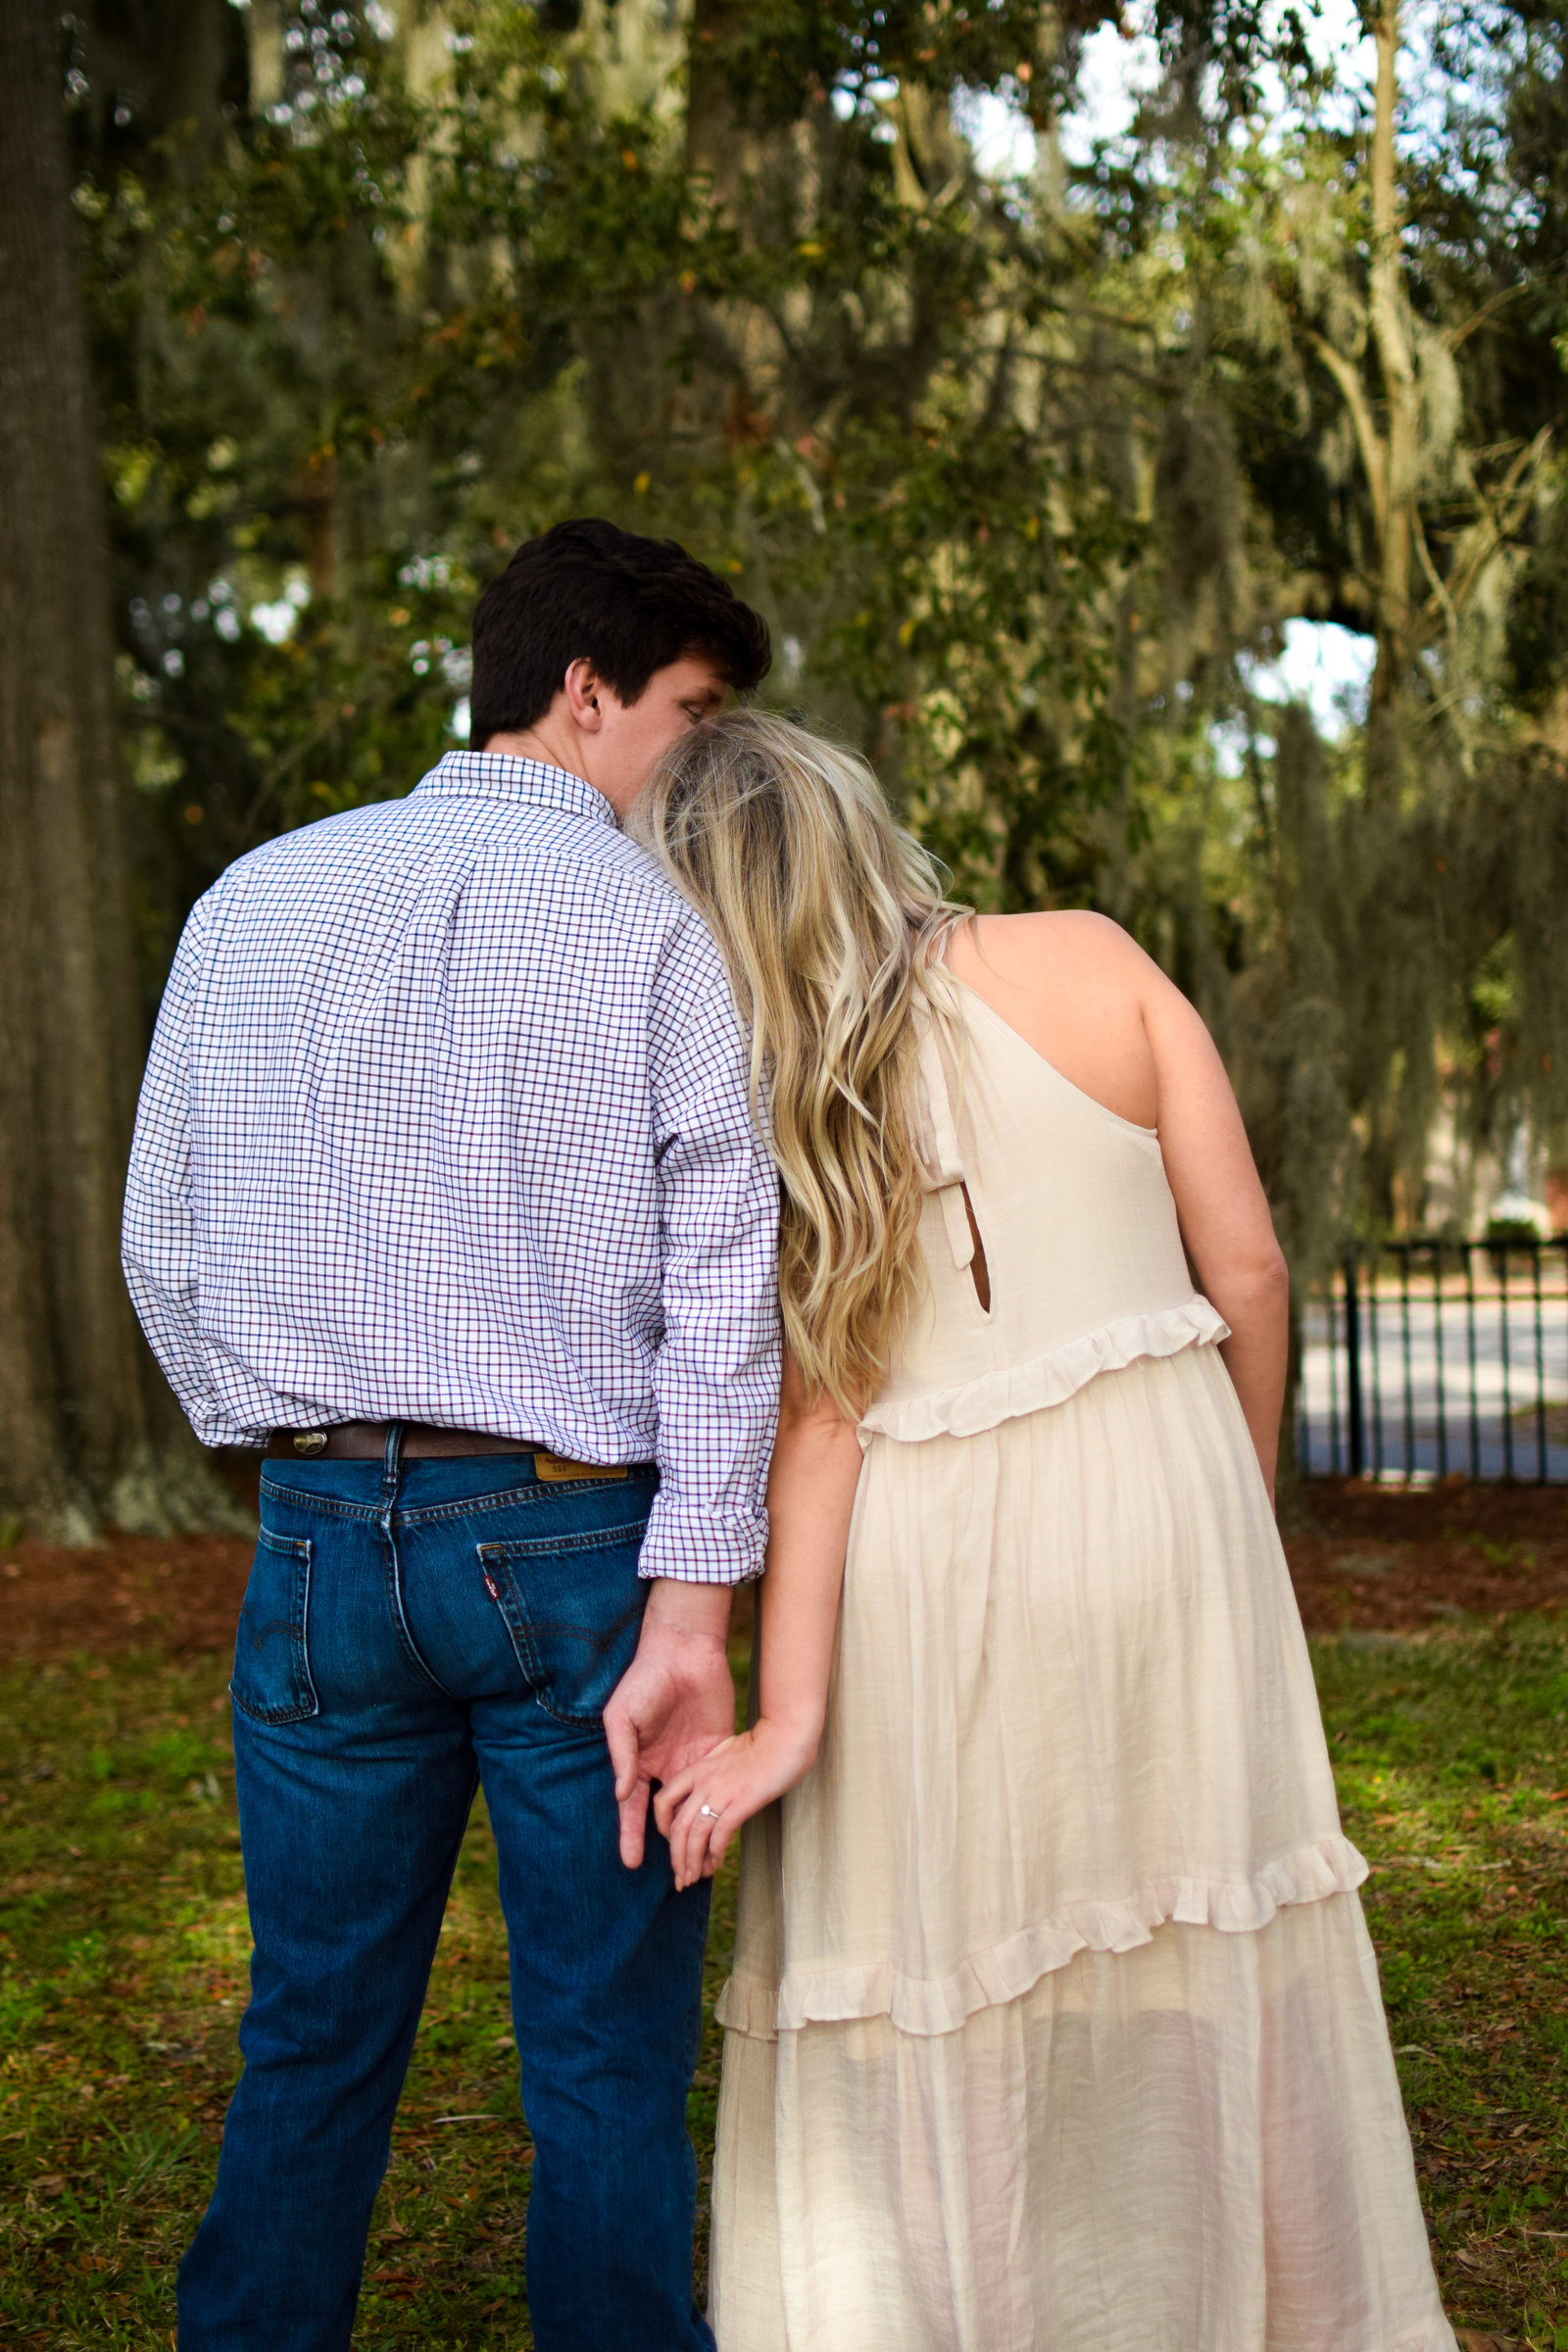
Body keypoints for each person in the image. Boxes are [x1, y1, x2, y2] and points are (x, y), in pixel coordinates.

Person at [635, 711, 1458, 2352]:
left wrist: (787, 1712)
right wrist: (1222, 1495)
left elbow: (818, 1427)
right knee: (1199, 1900)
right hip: (1165, 1491)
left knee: (948, 1945)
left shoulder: (767, 1084)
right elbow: (1251, 1276)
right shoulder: (1085, 953)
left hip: (926, 1560)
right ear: (863, 824)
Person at [121, 519, 780, 2352]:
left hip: (318, 1534)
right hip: (576, 1545)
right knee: (601, 2057)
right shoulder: (660, 928)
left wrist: (279, 1441)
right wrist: (695, 1610)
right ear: (584, 693)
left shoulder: (253, 896)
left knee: (311, 2031)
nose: (700, 765)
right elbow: (727, 1287)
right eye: (691, 713)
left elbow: (160, 1226)